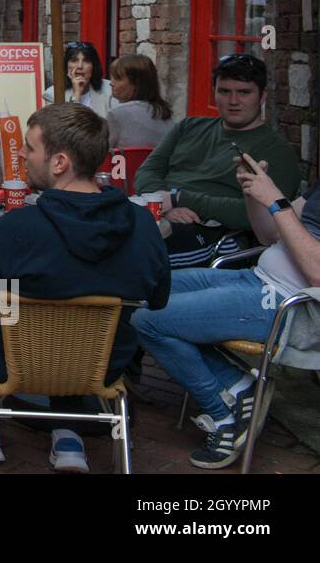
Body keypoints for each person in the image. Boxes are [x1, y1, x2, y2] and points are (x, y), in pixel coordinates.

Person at [0, 103, 170, 471]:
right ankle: (68, 434)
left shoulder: (19, 230)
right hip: (105, 367)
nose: (20, 154)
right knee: (77, 322)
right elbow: (158, 299)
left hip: (16, 363)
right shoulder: (144, 225)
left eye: (29, 148)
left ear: (60, 162)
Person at [133, 151, 320, 469]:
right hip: (256, 279)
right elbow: (269, 234)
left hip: (288, 305)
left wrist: (275, 200)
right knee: (145, 291)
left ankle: (224, 413)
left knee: (148, 320)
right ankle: (240, 388)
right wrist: (255, 193)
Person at [134, 53, 302, 269]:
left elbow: (269, 218)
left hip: (217, 233)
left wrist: (180, 199)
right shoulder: (189, 126)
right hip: (162, 215)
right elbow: (147, 171)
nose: (233, 101)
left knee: (132, 256)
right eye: (224, 91)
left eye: (244, 92)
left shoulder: (276, 150)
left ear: (262, 96)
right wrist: (165, 207)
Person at [106, 54, 176, 148]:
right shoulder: (164, 112)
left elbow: (103, 155)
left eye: (118, 78)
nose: (111, 83)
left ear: (136, 83)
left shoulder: (117, 114)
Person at [42, 41, 115, 113]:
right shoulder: (53, 94)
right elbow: (65, 124)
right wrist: (76, 95)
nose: (80, 66)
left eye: (86, 61)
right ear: (66, 66)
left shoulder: (110, 89)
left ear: (94, 66)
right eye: (74, 61)